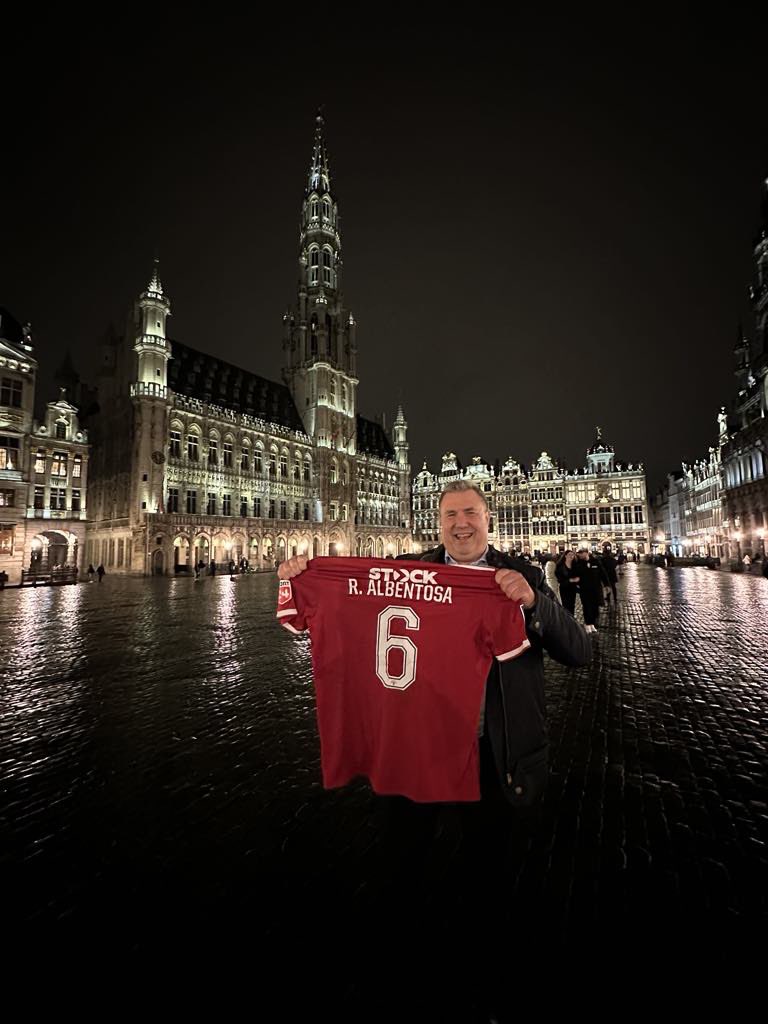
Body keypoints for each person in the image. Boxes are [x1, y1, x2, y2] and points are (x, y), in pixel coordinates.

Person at [575, 548, 605, 633]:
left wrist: (606, 585)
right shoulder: (578, 563)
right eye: (579, 553)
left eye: (581, 553)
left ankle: (592, 623)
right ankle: (587, 624)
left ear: (587, 553)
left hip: (595, 589)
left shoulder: (595, 561)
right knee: (587, 607)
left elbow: (602, 573)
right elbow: (576, 574)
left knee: (595, 607)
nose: (579, 555)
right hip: (584, 589)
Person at [555, 549, 579, 615]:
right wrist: (570, 580)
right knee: (565, 605)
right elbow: (559, 579)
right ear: (565, 556)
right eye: (569, 555)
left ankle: (572, 618)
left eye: (572, 555)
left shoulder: (575, 565)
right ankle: (566, 620)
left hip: (573, 588)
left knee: (572, 604)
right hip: (564, 588)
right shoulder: (560, 566)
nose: (571, 556)